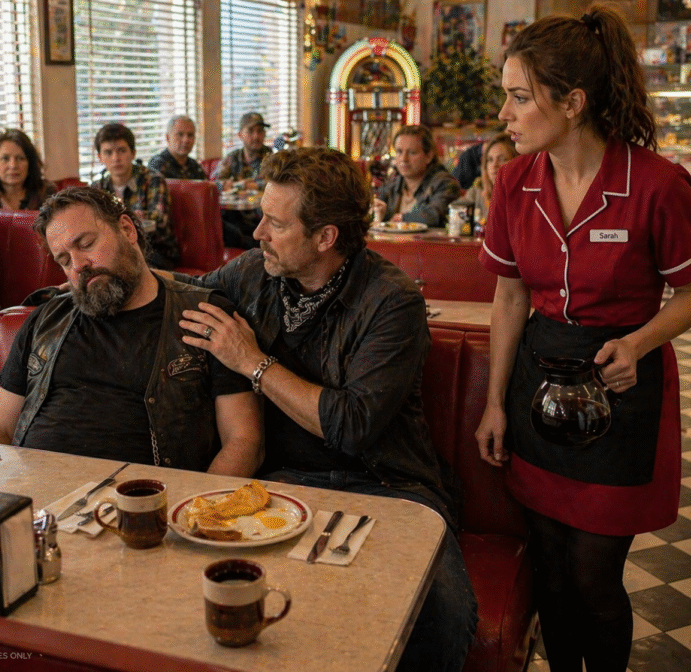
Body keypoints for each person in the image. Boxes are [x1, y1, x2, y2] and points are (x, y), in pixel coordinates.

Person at [173, 147, 477, 672]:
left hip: (392, 486)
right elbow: (184, 293)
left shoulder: (392, 301)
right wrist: (108, 272)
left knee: (442, 616)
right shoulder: (256, 272)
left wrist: (252, 362)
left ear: (325, 237)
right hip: (284, 483)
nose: (258, 233)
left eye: (275, 223)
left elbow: (352, 426)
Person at [474, 7, 691, 672]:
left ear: (573, 102)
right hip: (537, 384)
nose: (505, 113)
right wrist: (494, 403)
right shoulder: (514, 181)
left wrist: (639, 342)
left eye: (520, 97)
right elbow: (510, 297)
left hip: (622, 390)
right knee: (550, 570)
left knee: (594, 576)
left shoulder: (657, 184)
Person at [0, 187, 263, 476]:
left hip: (147, 496)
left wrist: (199, 502)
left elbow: (244, 442)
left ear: (127, 229)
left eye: (86, 244)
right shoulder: (46, 320)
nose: (78, 266)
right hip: (35, 492)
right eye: (64, 260)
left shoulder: (204, 315)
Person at [91, 122, 179, 270]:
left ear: (133, 153)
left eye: (121, 150)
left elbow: (159, 221)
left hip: (156, 251)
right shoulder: (97, 188)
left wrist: (113, 224)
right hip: (116, 252)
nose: (116, 158)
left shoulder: (153, 180)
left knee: (122, 268)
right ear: (100, 157)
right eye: (108, 152)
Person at [372, 125, 460, 227]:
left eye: (412, 152)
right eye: (399, 152)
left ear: (429, 156)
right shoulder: (393, 184)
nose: (404, 159)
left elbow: (435, 216)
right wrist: (377, 214)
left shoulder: (444, 184)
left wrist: (402, 219)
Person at [212, 112, 272, 249]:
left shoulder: (270, 158)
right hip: (235, 217)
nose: (256, 136)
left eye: (260, 131)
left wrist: (244, 185)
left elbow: (273, 185)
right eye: (251, 131)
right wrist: (238, 185)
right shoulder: (232, 158)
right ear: (240, 135)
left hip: (260, 219)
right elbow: (214, 185)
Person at [0, 128, 57, 211]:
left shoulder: (46, 194)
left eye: (20, 158)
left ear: (30, 163)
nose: (13, 165)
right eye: (5, 158)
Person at [463, 132, 517, 224]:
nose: (494, 165)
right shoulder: (475, 194)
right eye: (490, 160)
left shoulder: (524, 197)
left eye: (502, 159)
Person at [147, 115, 207, 180]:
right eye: (180, 134)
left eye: (190, 135)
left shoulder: (195, 166)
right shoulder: (157, 165)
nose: (186, 140)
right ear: (168, 138)